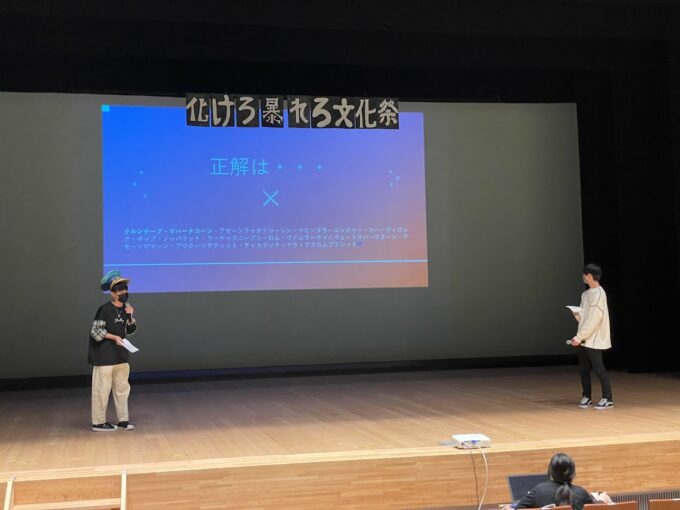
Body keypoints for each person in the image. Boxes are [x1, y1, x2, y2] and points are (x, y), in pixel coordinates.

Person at [88, 270, 138, 431]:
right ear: (112, 293)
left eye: (125, 288)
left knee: (122, 389)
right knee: (102, 390)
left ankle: (123, 420)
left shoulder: (126, 309)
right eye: (120, 289)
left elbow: (130, 331)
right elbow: (96, 332)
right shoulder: (104, 309)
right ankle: (99, 422)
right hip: (104, 357)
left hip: (121, 356)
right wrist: (113, 337)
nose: (124, 292)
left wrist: (130, 317)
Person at [568, 263, 613, 410]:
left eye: (584, 274)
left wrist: (579, 336)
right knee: (584, 368)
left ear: (589, 276)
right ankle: (587, 396)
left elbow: (594, 319)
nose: (583, 277)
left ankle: (608, 398)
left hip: (594, 338)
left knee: (598, 368)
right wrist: (577, 314)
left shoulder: (599, 294)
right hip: (584, 337)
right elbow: (585, 319)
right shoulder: (585, 294)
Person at [515, 453, 608, 510]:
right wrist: (601, 501)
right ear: (572, 472)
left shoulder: (539, 490)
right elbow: (594, 508)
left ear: (551, 471)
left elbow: (518, 508)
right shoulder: (581, 493)